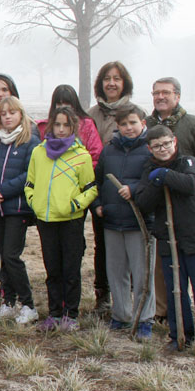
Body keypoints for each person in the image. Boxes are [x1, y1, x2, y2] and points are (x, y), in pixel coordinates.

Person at [134, 125, 195, 358]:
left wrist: (166, 176)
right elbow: (144, 201)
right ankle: (180, 337)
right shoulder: (149, 169)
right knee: (176, 291)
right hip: (169, 239)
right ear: (150, 148)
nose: (163, 149)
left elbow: (192, 185)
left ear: (174, 141)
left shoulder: (188, 162)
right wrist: (156, 183)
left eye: (166, 144)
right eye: (157, 146)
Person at [26, 107, 97, 333]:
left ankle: (71, 315)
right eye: (57, 125)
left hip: (70, 220)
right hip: (46, 220)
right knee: (52, 269)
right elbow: (30, 184)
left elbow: (90, 189)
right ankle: (54, 313)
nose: (61, 129)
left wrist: (75, 205)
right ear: (50, 126)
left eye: (66, 125)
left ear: (73, 127)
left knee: (71, 269)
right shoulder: (39, 152)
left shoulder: (81, 155)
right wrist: (35, 203)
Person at [38, 84, 107, 312]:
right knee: (52, 263)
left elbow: (94, 160)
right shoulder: (43, 142)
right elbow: (34, 177)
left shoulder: (86, 128)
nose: (63, 109)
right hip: (48, 209)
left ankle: (72, 310)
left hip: (74, 202)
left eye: (67, 104)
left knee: (72, 256)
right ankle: (55, 311)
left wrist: (76, 193)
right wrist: (35, 199)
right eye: (59, 104)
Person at [92, 103, 154, 339]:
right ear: (117, 126)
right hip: (112, 221)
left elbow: (153, 182)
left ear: (143, 124)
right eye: (124, 124)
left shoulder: (149, 151)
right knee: (116, 271)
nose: (129, 128)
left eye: (133, 123)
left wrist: (134, 189)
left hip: (139, 223)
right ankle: (121, 315)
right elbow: (98, 181)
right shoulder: (109, 151)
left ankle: (144, 318)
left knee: (142, 273)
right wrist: (97, 205)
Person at [89, 62, 141, 319]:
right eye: (107, 78)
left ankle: (135, 299)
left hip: (132, 195)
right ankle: (104, 295)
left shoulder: (137, 113)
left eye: (117, 79)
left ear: (125, 83)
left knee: (134, 248)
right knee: (103, 245)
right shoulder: (91, 115)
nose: (111, 83)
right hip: (101, 191)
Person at [0, 97, 40, 324]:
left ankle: (28, 304)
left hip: (16, 209)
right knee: (4, 257)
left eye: (12, 113)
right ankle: (8, 302)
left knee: (12, 256)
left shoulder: (30, 142)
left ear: (21, 115)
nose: (7, 116)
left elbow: (28, 175)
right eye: (3, 113)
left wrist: (1, 191)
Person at [146, 77, 195, 184]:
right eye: (156, 93)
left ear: (177, 97)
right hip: (152, 190)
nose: (160, 97)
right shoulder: (144, 125)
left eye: (166, 92)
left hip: (184, 192)